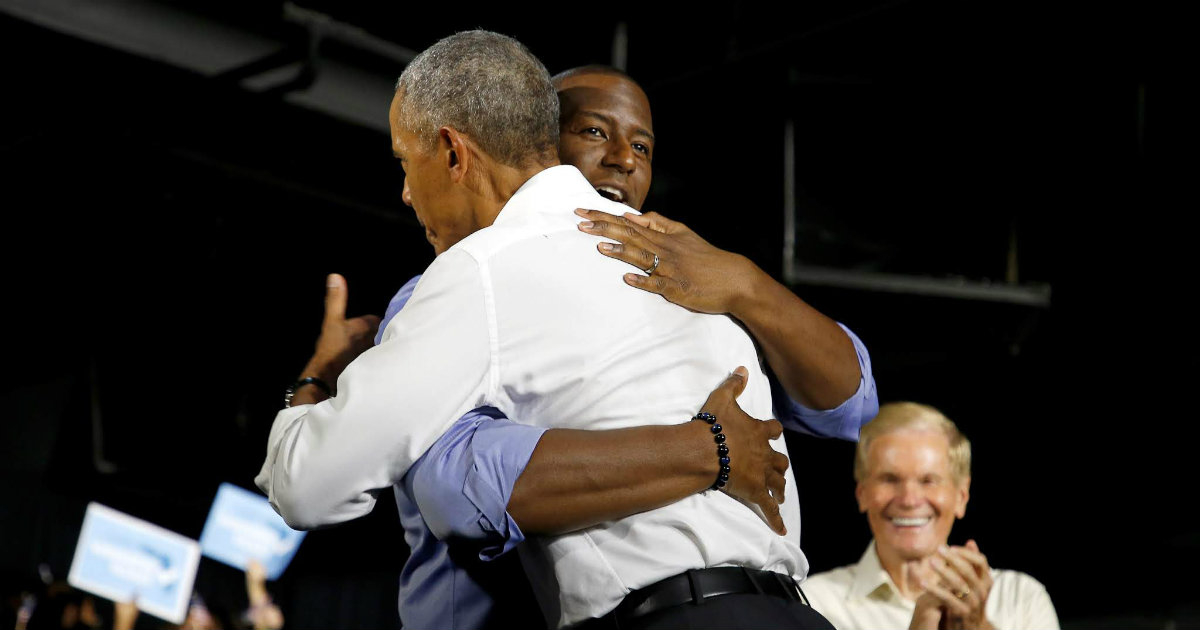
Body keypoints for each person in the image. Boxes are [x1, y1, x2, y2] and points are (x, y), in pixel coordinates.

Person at [257, 30, 836, 629]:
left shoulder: (480, 271)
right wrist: (707, 449)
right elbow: (848, 401)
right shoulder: (689, 258)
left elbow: (304, 486)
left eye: (407, 161)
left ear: (454, 154)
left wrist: (319, 376)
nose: (405, 193)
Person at [802, 402, 1059, 630]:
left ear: (961, 497)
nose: (909, 500)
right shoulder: (814, 604)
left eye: (929, 481)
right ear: (862, 494)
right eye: (889, 479)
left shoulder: (1019, 598)